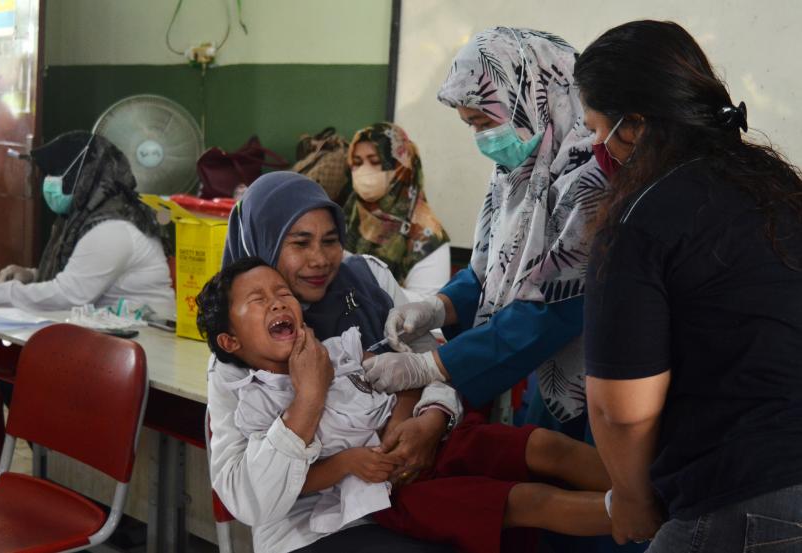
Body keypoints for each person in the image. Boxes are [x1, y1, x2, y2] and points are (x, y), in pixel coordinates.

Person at [198, 256, 613, 553]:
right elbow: (280, 483)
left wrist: (411, 418)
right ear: (230, 342)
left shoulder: (335, 351)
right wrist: (343, 457)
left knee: (543, 445)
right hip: (391, 490)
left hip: (433, 441)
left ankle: (649, 488)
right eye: (257, 300)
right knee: (526, 502)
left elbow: (405, 379)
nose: (276, 301)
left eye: (281, 292)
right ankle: (644, 514)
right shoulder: (250, 399)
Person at [576, 20, 802, 551]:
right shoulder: (780, 188)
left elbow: (622, 409)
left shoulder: (640, 218)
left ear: (631, 126)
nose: (593, 147)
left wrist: (631, 499)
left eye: (593, 128)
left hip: (749, 497)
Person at [362, 28, 607, 432]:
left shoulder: (593, 179)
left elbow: (557, 306)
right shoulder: (513, 174)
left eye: (483, 120)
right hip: (530, 371)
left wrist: (431, 365)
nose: (481, 138)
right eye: (469, 124)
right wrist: (437, 307)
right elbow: (491, 271)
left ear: (529, 97)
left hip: (589, 381)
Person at [210, 171, 459, 551]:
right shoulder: (238, 346)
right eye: (300, 243)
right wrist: (308, 401)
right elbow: (247, 499)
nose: (320, 259)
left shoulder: (366, 280)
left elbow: (437, 360)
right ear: (264, 244)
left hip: (407, 486)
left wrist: (430, 418)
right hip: (308, 528)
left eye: (330, 241)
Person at [0, 131, 174, 318]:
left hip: (145, 341)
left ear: (84, 175)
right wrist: (33, 276)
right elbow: (82, 273)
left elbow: (69, 295)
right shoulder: (86, 217)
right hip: (113, 334)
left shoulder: (112, 228)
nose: (48, 181)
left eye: (57, 174)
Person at [345, 122, 451, 301]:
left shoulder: (427, 237)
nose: (364, 171)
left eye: (375, 162)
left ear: (401, 167)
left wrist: (362, 283)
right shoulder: (346, 215)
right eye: (357, 163)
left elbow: (427, 307)